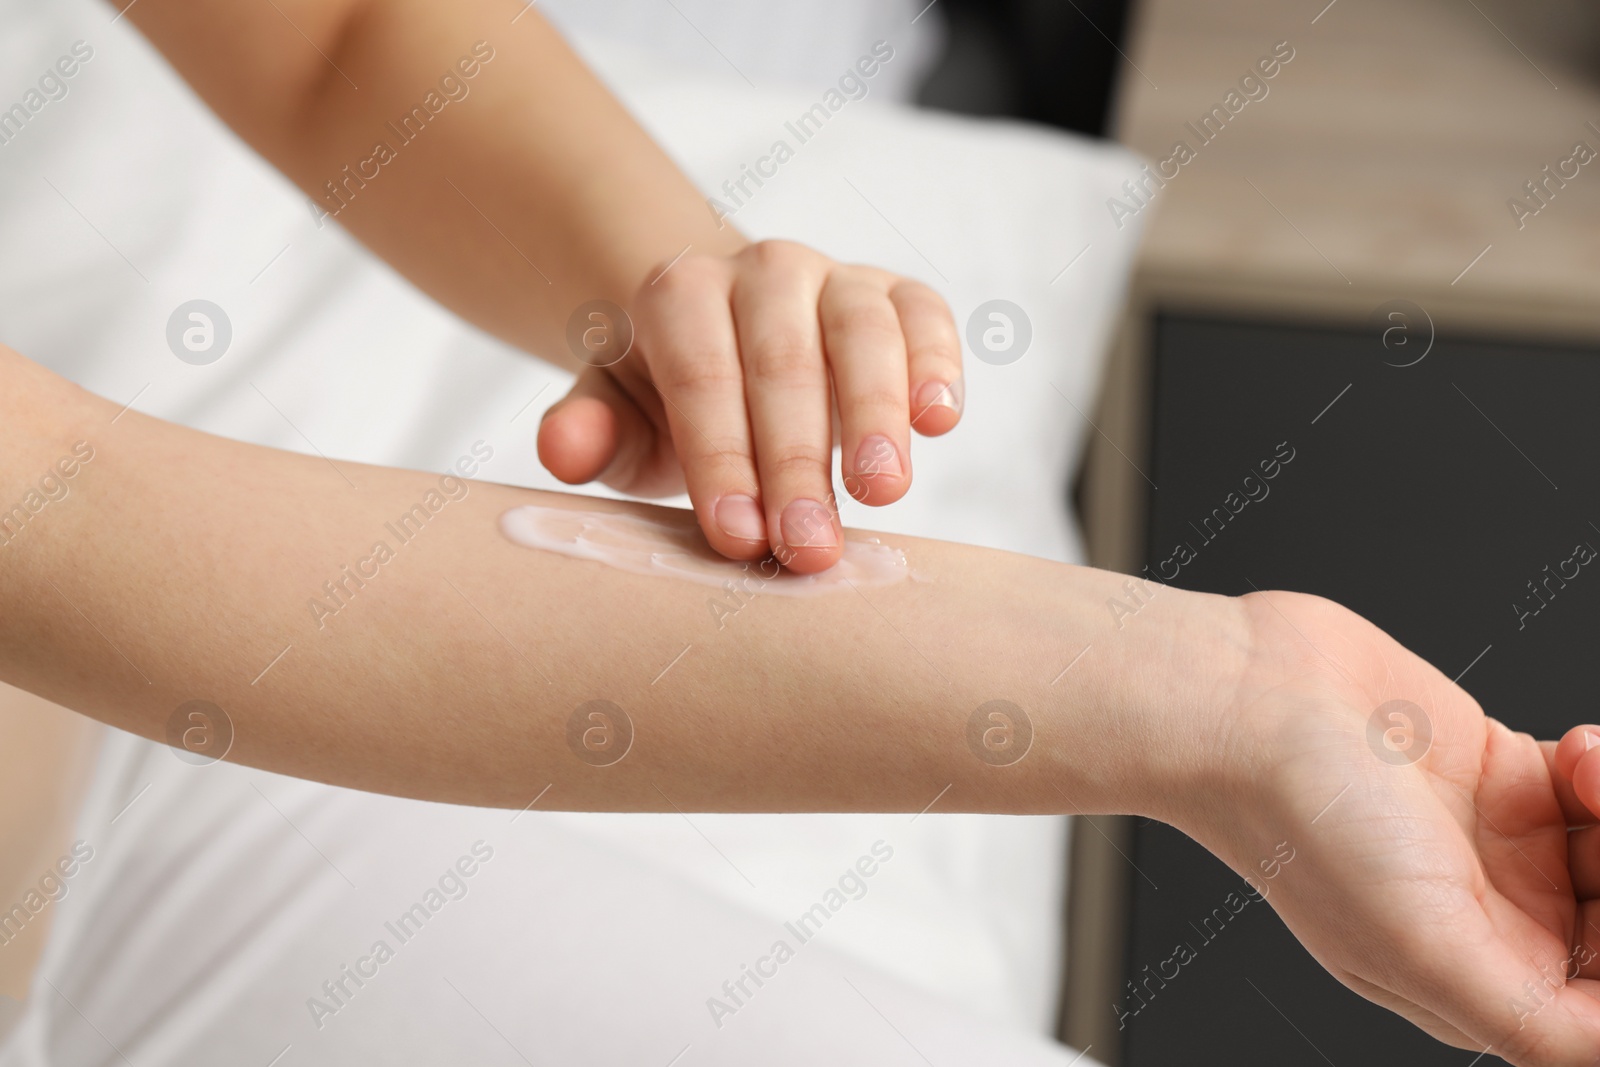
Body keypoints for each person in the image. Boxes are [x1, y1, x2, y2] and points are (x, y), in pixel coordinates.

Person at [2, 3, 1600, 1066]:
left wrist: (686, 300)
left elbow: (333, 39)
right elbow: (62, 531)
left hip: (121, 795)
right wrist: (1213, 696)